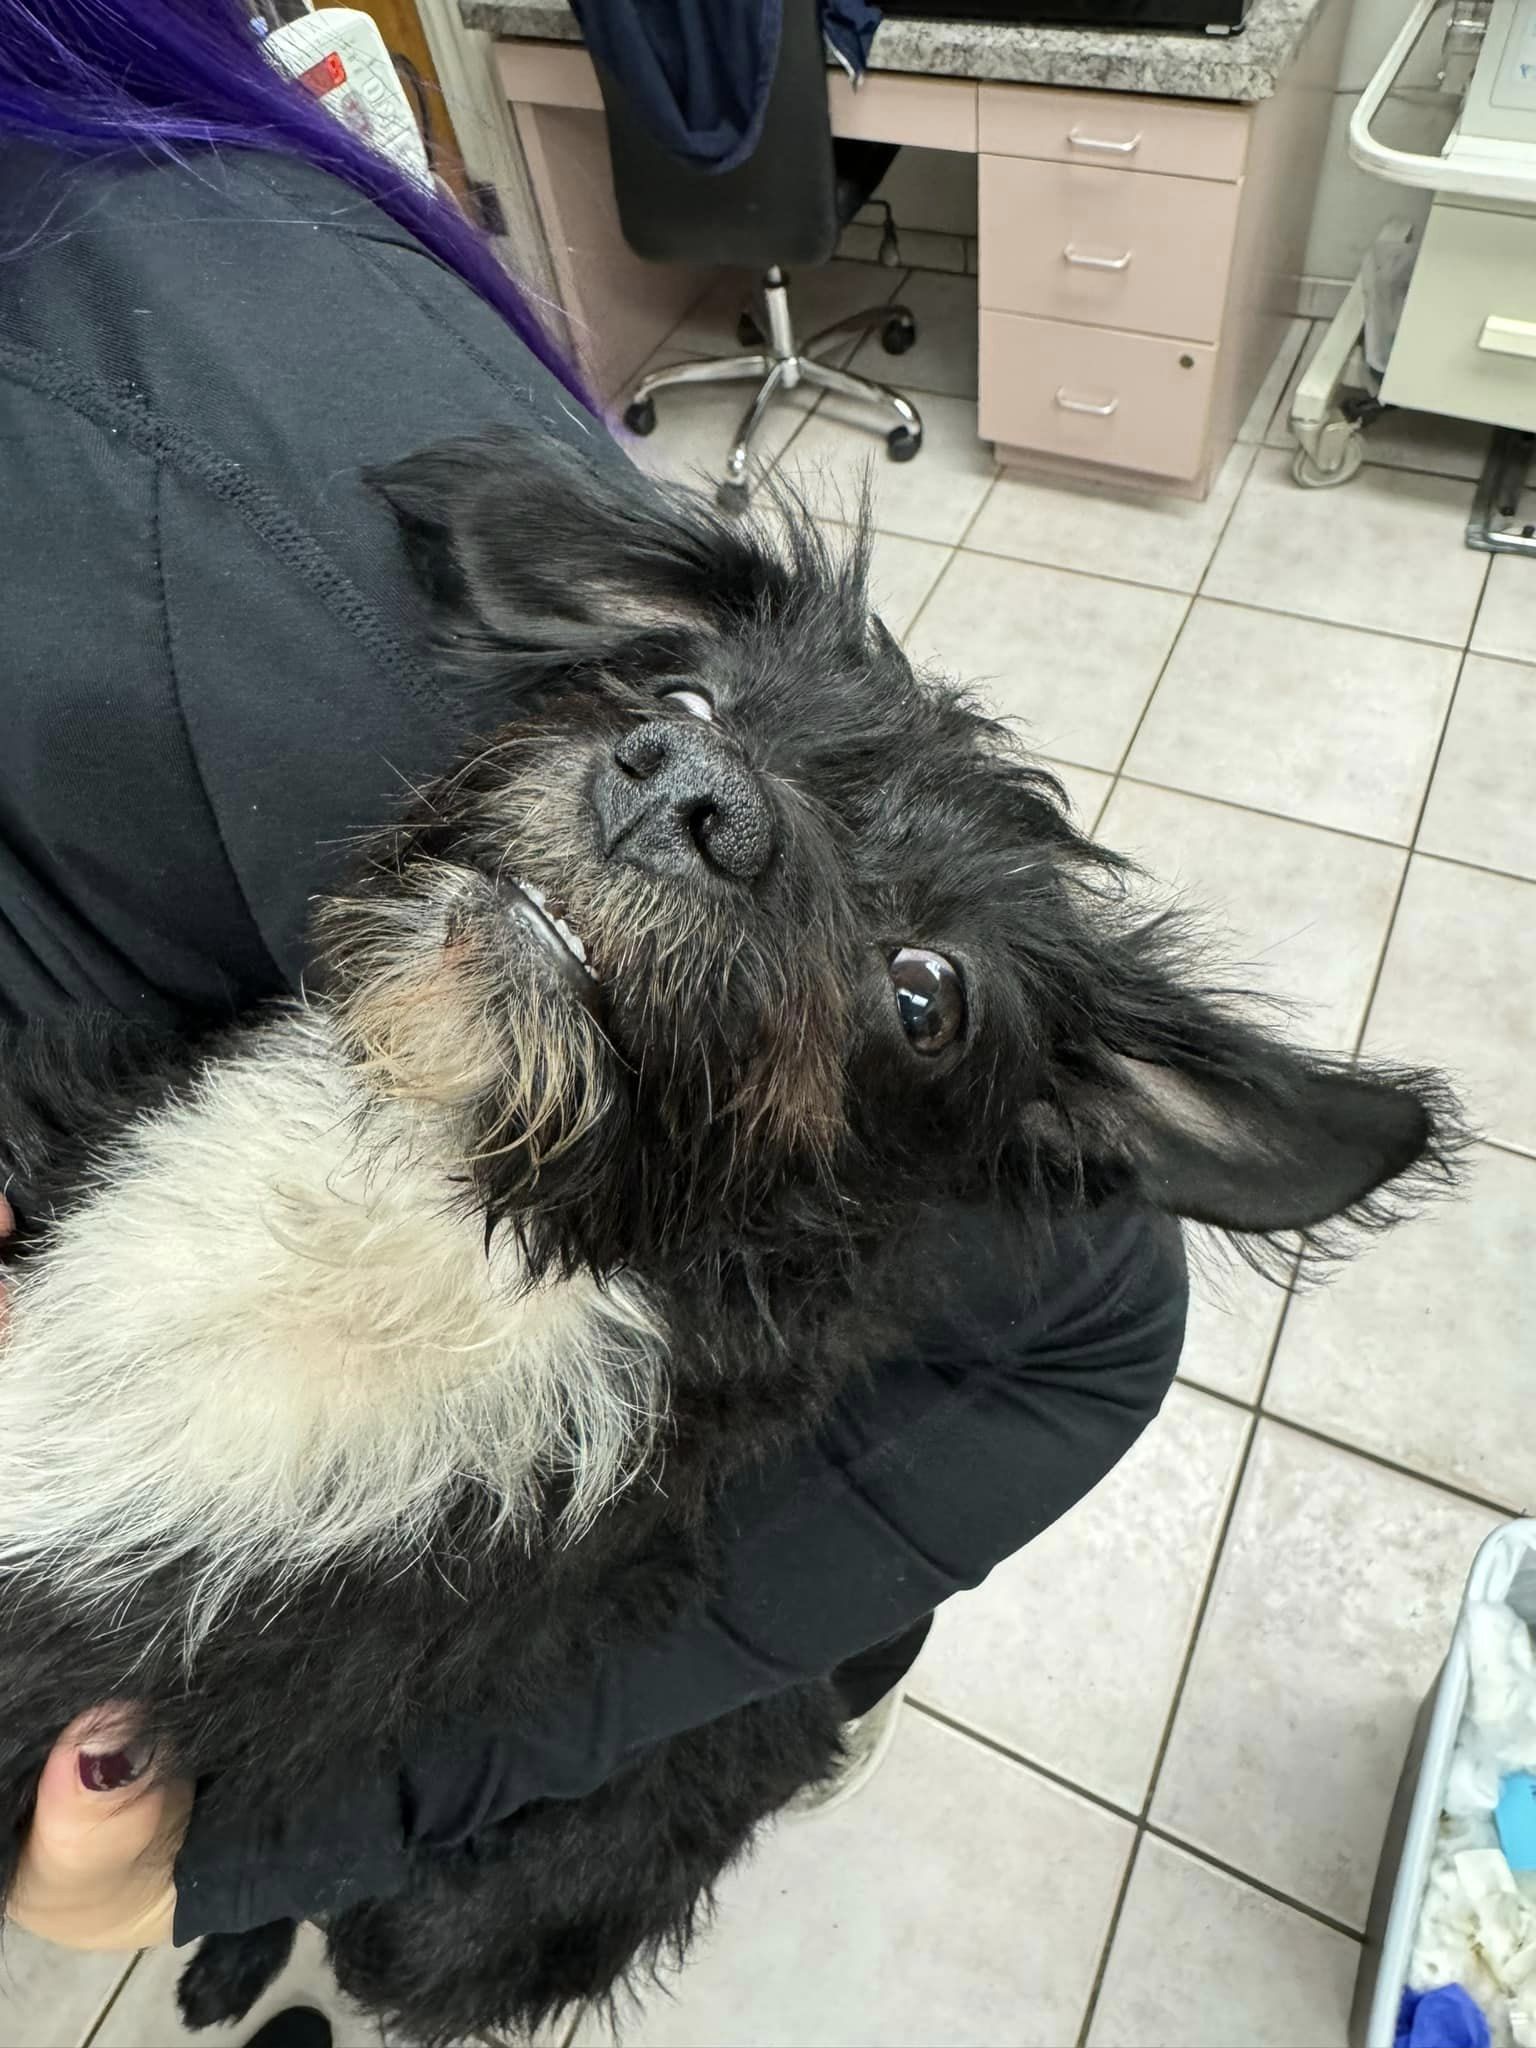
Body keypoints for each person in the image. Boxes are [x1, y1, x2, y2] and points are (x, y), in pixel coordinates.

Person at [0, 0, 1186, 2028]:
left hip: (565, 1559)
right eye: (671, 721)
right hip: (281, 1534)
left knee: (467, 1913)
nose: (670, 776)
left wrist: (260, 1845)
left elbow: (1079, 1327)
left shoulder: (234, 544)